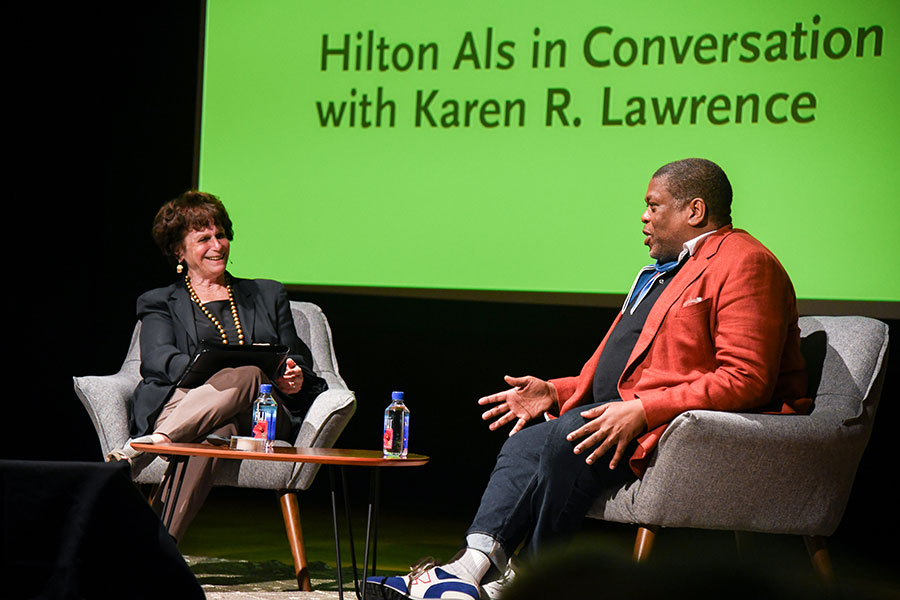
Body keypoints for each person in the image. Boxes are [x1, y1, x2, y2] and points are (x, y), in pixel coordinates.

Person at [365, 158, 810, 600]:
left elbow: (746, 378)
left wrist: (642, 410)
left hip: (683, 430)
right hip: (625, 415)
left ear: (693, 211)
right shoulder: (667, 270)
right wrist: (554, 391)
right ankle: (467, 568)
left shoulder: (747, 263)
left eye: (653, 206)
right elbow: (625, 365)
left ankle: (528, 583)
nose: (644, 216)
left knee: (568, 437)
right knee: (525, 442)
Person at [106, 190, 327, 541]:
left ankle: (153, 444)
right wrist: (219, 373)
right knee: (213, 436)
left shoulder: (268, 295)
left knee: (251, 373)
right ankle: (155, 552)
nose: (217, 244)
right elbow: (160, 360)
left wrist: (294, 376)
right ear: (179, 251)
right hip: (187, 405)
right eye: (203, 238)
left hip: (261, 415)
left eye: (221, 234)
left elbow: (295, 356)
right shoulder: (160, 301)